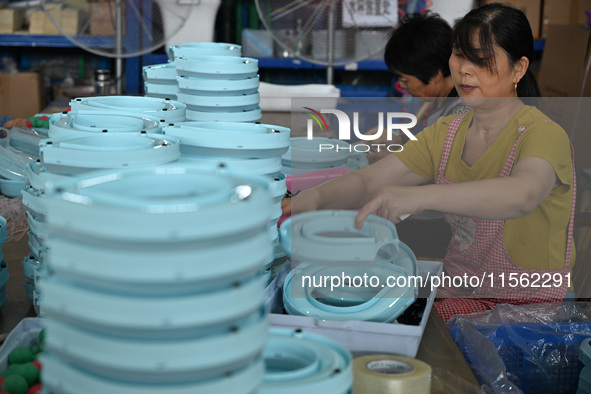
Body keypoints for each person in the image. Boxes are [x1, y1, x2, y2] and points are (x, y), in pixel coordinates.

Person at [290, 3, 575, 323]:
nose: (465, 69)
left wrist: (419, 195)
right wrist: (311, 200)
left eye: (481, 58)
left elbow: (523, 194)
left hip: (527, 315)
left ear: (519, 69)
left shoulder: (544, 135)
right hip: (460, 295)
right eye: (459, 54)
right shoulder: (448, 131)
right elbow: (369, 181)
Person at [366, 12, 469, 164]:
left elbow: (446, 169)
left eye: (405, 79)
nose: (401, 85)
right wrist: (398, 140)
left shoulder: (461, 114)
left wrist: (398, 160)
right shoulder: (437, 98)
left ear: (435, 75)